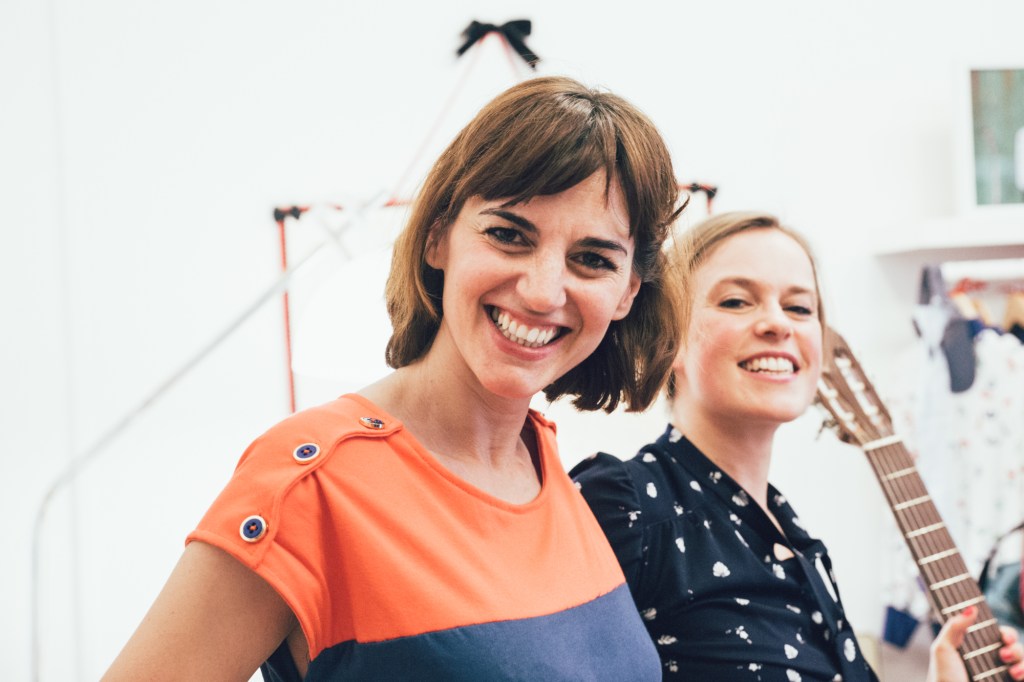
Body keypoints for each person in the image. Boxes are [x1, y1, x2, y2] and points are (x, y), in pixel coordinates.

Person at [101, 76, 686, 681]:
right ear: (438, 238)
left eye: (591, 259)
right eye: (508, 235)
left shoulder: (541, 458)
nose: (542, 291)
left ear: (627, 292)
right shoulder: (311, 481)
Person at [571, 211, 1024, 681]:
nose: (777, 323)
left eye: (800, 308)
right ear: (669, 337)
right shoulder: (622, 504)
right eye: (736, 301)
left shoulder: (797, 542)